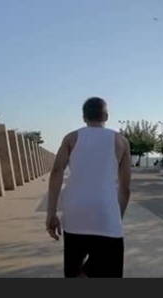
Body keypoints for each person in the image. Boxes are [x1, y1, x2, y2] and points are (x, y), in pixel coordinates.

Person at [46, 97, 132, 278]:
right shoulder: (121, 141)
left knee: (73, 268)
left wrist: (51, 213)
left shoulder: (71, 138)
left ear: (84, 117)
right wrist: (117, 217)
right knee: (109, 272)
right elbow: (125, 188)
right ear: (106, 116)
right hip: (105, 212)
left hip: (75, 213)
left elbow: (56, 172)